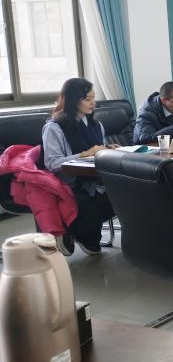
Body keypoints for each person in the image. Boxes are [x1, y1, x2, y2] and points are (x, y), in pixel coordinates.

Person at [41, 78, 115, 256]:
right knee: (89, 212)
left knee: (121, 198)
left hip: (95, 180)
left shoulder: (96, 125)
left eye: (93, 98)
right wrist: (84, 154)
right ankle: (67, 231)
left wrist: (109, 149)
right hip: (69, 184)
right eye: (87, 99)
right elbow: (52, 163)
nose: (93, 103)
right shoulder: (54, 128)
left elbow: (98, 151)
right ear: (73, 99)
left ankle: (81, 234)